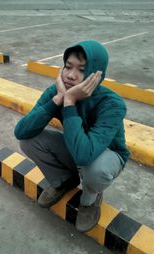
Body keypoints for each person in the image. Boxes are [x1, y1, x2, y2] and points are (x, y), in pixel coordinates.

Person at [14, 40, 130, 232]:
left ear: (96, 74)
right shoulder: (56, 91)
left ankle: (90, 199)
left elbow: (84, 156)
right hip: (77, 147)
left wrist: (69, 102)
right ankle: (64, 180)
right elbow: (21, 131)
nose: (70, 75)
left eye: (81, 69)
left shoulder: (112, 104)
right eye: (68, 67)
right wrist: (57, 99)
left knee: (95, 169)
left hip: (106, 156)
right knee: (29, 141)